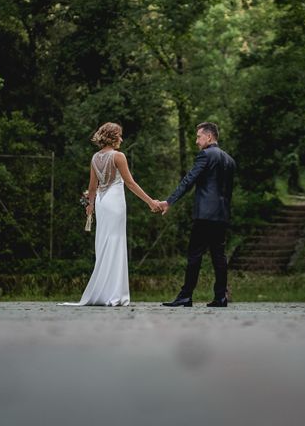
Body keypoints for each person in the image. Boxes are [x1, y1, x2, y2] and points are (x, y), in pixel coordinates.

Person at [61, 122, 160, 306]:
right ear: (113, 137)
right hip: (114, 201)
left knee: (104, 243)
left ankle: (105, 292)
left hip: (101, 202)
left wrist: (89, 206)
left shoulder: (95, 158)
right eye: (120, 136)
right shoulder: (118, 156)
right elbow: (130, 183)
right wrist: (150, 201)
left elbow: (92, 188)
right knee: (115, 243)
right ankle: (114, 294)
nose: (121, 139)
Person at [158, 122, 236, 307]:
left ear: (209, 137)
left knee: (195, 254)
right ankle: (220, 297)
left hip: (204, 214)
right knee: (219, 255)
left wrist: (169, 201)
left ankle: (186, 295)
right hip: (222, 214)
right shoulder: (230, 160)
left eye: (198, 136)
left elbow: (188, 180)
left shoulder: (205, 155)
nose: (196, 141)